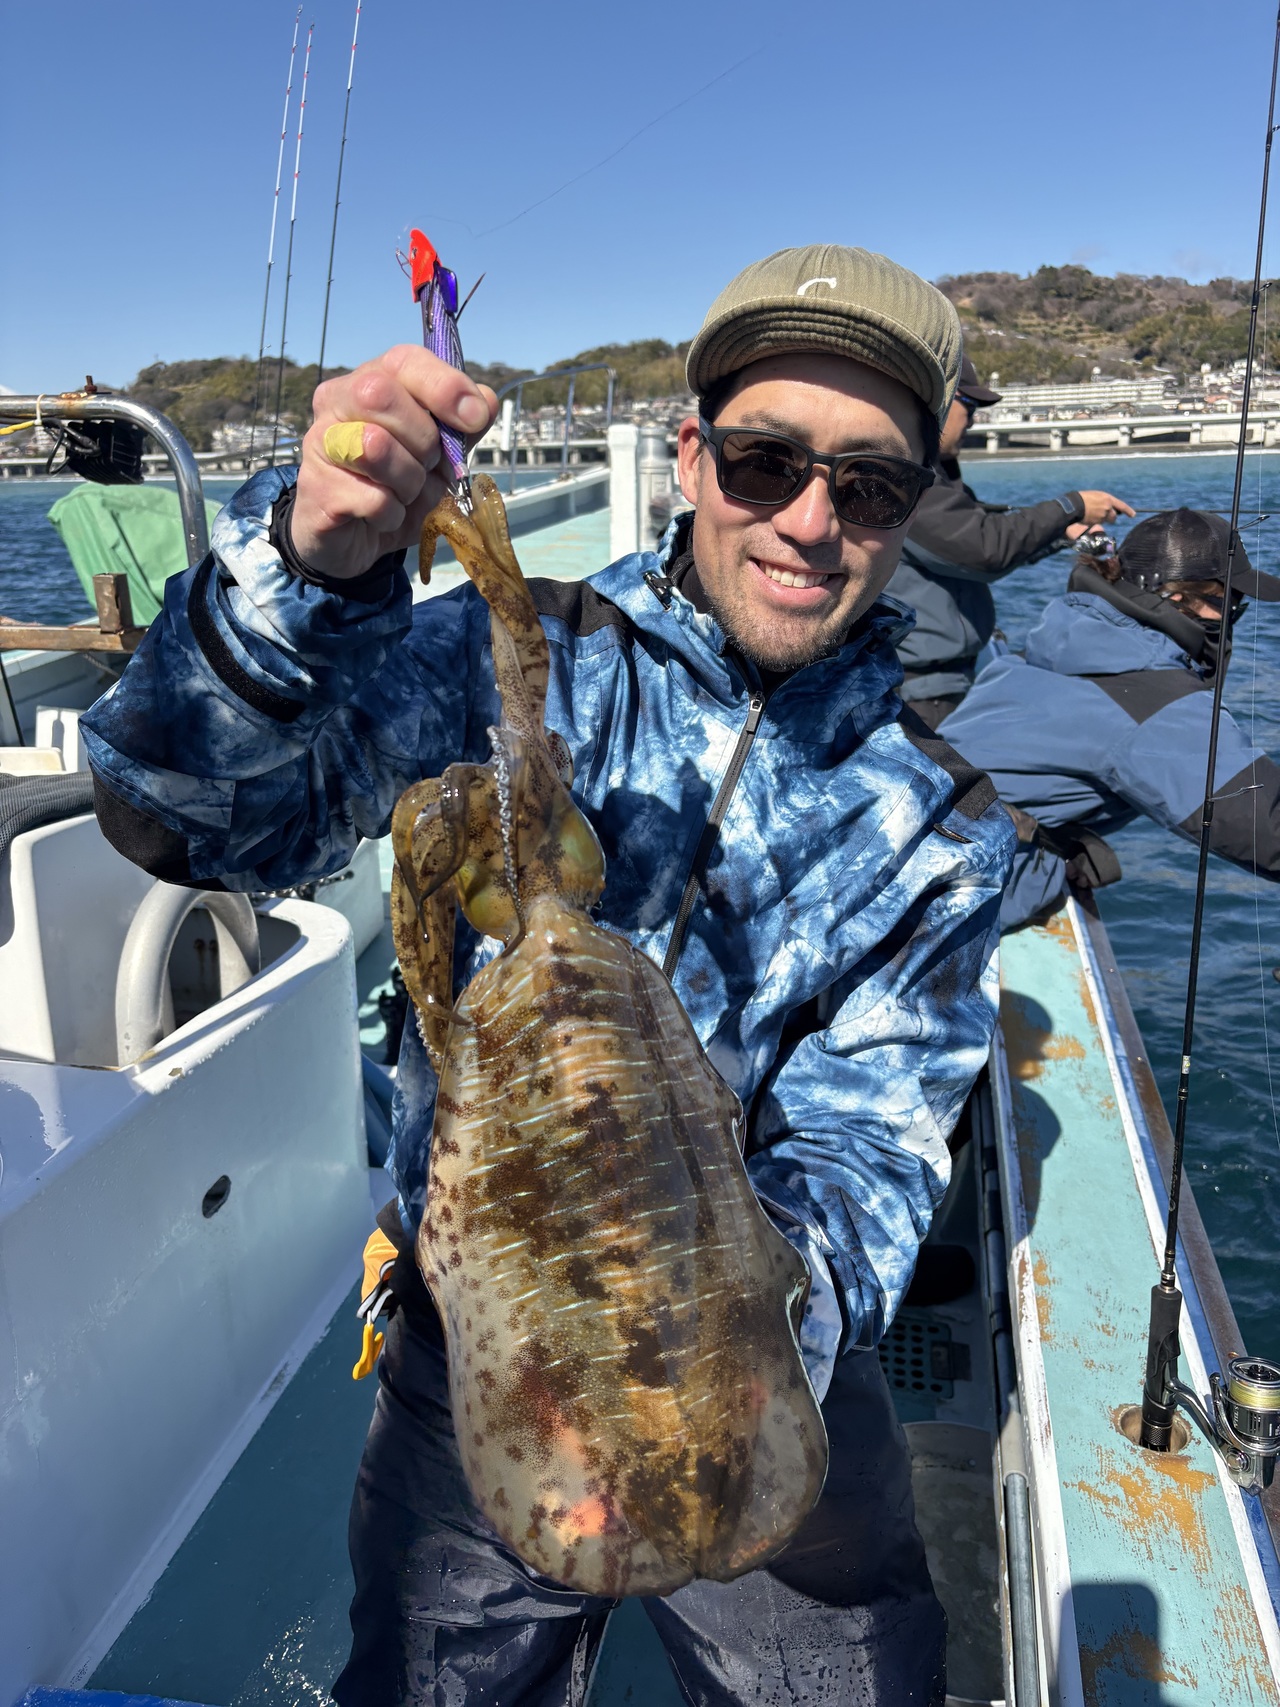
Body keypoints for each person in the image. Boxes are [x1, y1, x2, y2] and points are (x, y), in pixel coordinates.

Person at [81, 244, 1014, 1706]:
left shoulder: (939, 824)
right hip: (484, 1343)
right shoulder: (513, 660)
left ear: (915, 505)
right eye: (766, 461)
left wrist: (733, 1337)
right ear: (692, 458)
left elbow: (869, 1138)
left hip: (753, 1362)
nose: (810, 519)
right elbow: (180, 818)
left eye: (871, 485)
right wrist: (307, 574)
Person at [939, 507, 1280, 932]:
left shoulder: (1061, 644)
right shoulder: (1151, 698)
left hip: (915, 849)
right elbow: (1268, 830)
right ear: (1175, 597)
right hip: (943, 904)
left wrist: (1059, 844)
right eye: (1226, 603)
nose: (1231, 618)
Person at [888, 355, 1135, 728]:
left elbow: (981, 538)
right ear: (939, 402)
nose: (973, 419)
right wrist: (1071, 507)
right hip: (920, 693)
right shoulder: (907, 480)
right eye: (969, 406)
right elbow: (984, 549)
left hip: (945, 684)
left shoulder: (934, 478)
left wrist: (1062, 533)